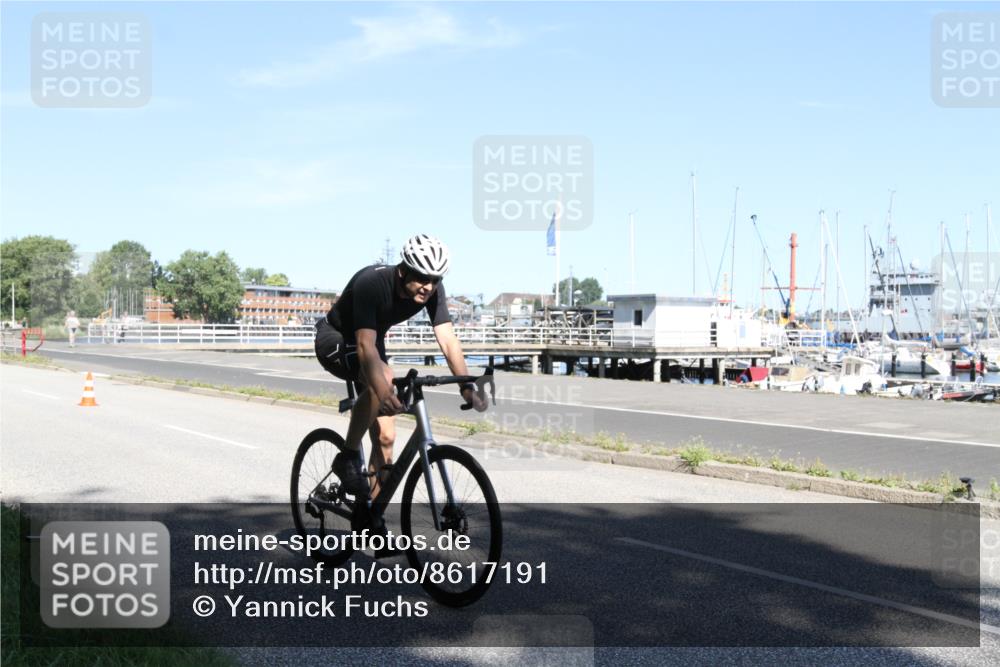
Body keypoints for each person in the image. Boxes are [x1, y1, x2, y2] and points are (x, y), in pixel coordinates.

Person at [314, 234, 487, 499]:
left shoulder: (432, 289)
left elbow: (448, 340)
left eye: (436, 280)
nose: (428, 286)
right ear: (404, 269)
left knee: (385, 438)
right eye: (422, 277)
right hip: (336, 338)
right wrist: (383, 390)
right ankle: (347, 457)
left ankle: (370, 517)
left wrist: (465, 384)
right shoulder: (372, 283)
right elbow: (364, 346)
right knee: (382, 377)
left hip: (372, 341)